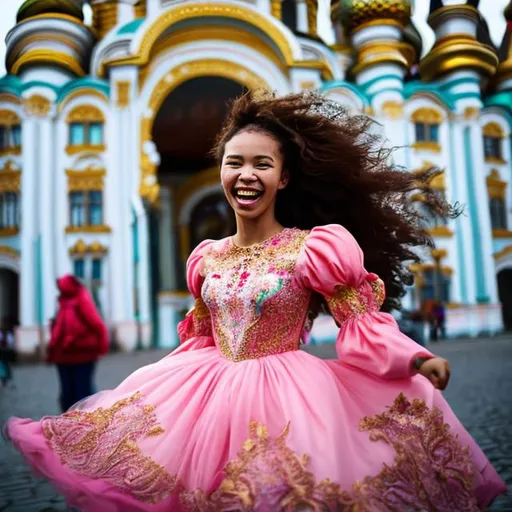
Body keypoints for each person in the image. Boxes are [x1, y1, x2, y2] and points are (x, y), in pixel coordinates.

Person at [4, 92, 506, 511]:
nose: (246, 174)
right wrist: (146, 395)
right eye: (234, 162)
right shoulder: (206, 258)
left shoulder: (315, 248)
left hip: (291, 399)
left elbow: (361, 323)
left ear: (282, 178)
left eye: (261, 164)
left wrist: (415, 356)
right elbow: (200, 338)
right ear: (221, 172)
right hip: (206, 395)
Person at [46, 274, 109, 412]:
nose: (59, 289)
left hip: (82, 354)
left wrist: (102, 346)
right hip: (64, 355)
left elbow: (97, 325)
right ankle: (69, 422)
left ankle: (87, 422)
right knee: (68, 393)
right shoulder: (63, 301)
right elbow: (59, 330)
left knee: (82, 392)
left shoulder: (81, 300)